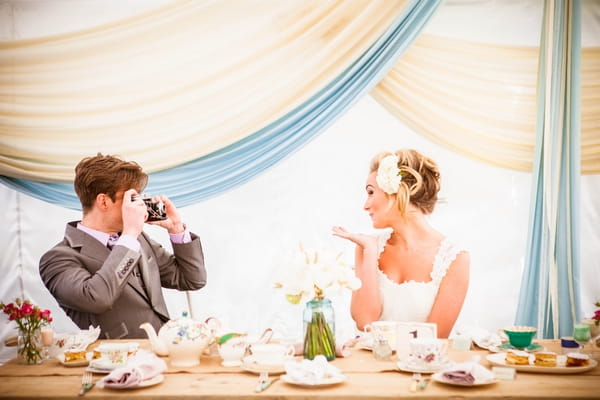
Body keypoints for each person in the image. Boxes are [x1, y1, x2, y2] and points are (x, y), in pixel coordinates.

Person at [39, 154, 207, 339]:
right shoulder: (57, 258)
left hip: (165, 352)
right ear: (103, 201)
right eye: (131, 199)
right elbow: (96, 298)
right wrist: (129, 236)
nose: (140, 206)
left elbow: (192, 279)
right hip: (116, 363)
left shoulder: (138, 239)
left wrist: (176, 229)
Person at [332, 149, 469, 338]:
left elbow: (435, 339)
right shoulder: (366, 246)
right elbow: (365, 322)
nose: (365, 205)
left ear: (398, 193)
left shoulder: (455, 258)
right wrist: (370, 251)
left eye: (371, 192)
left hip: (422, 365)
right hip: (368, 364)